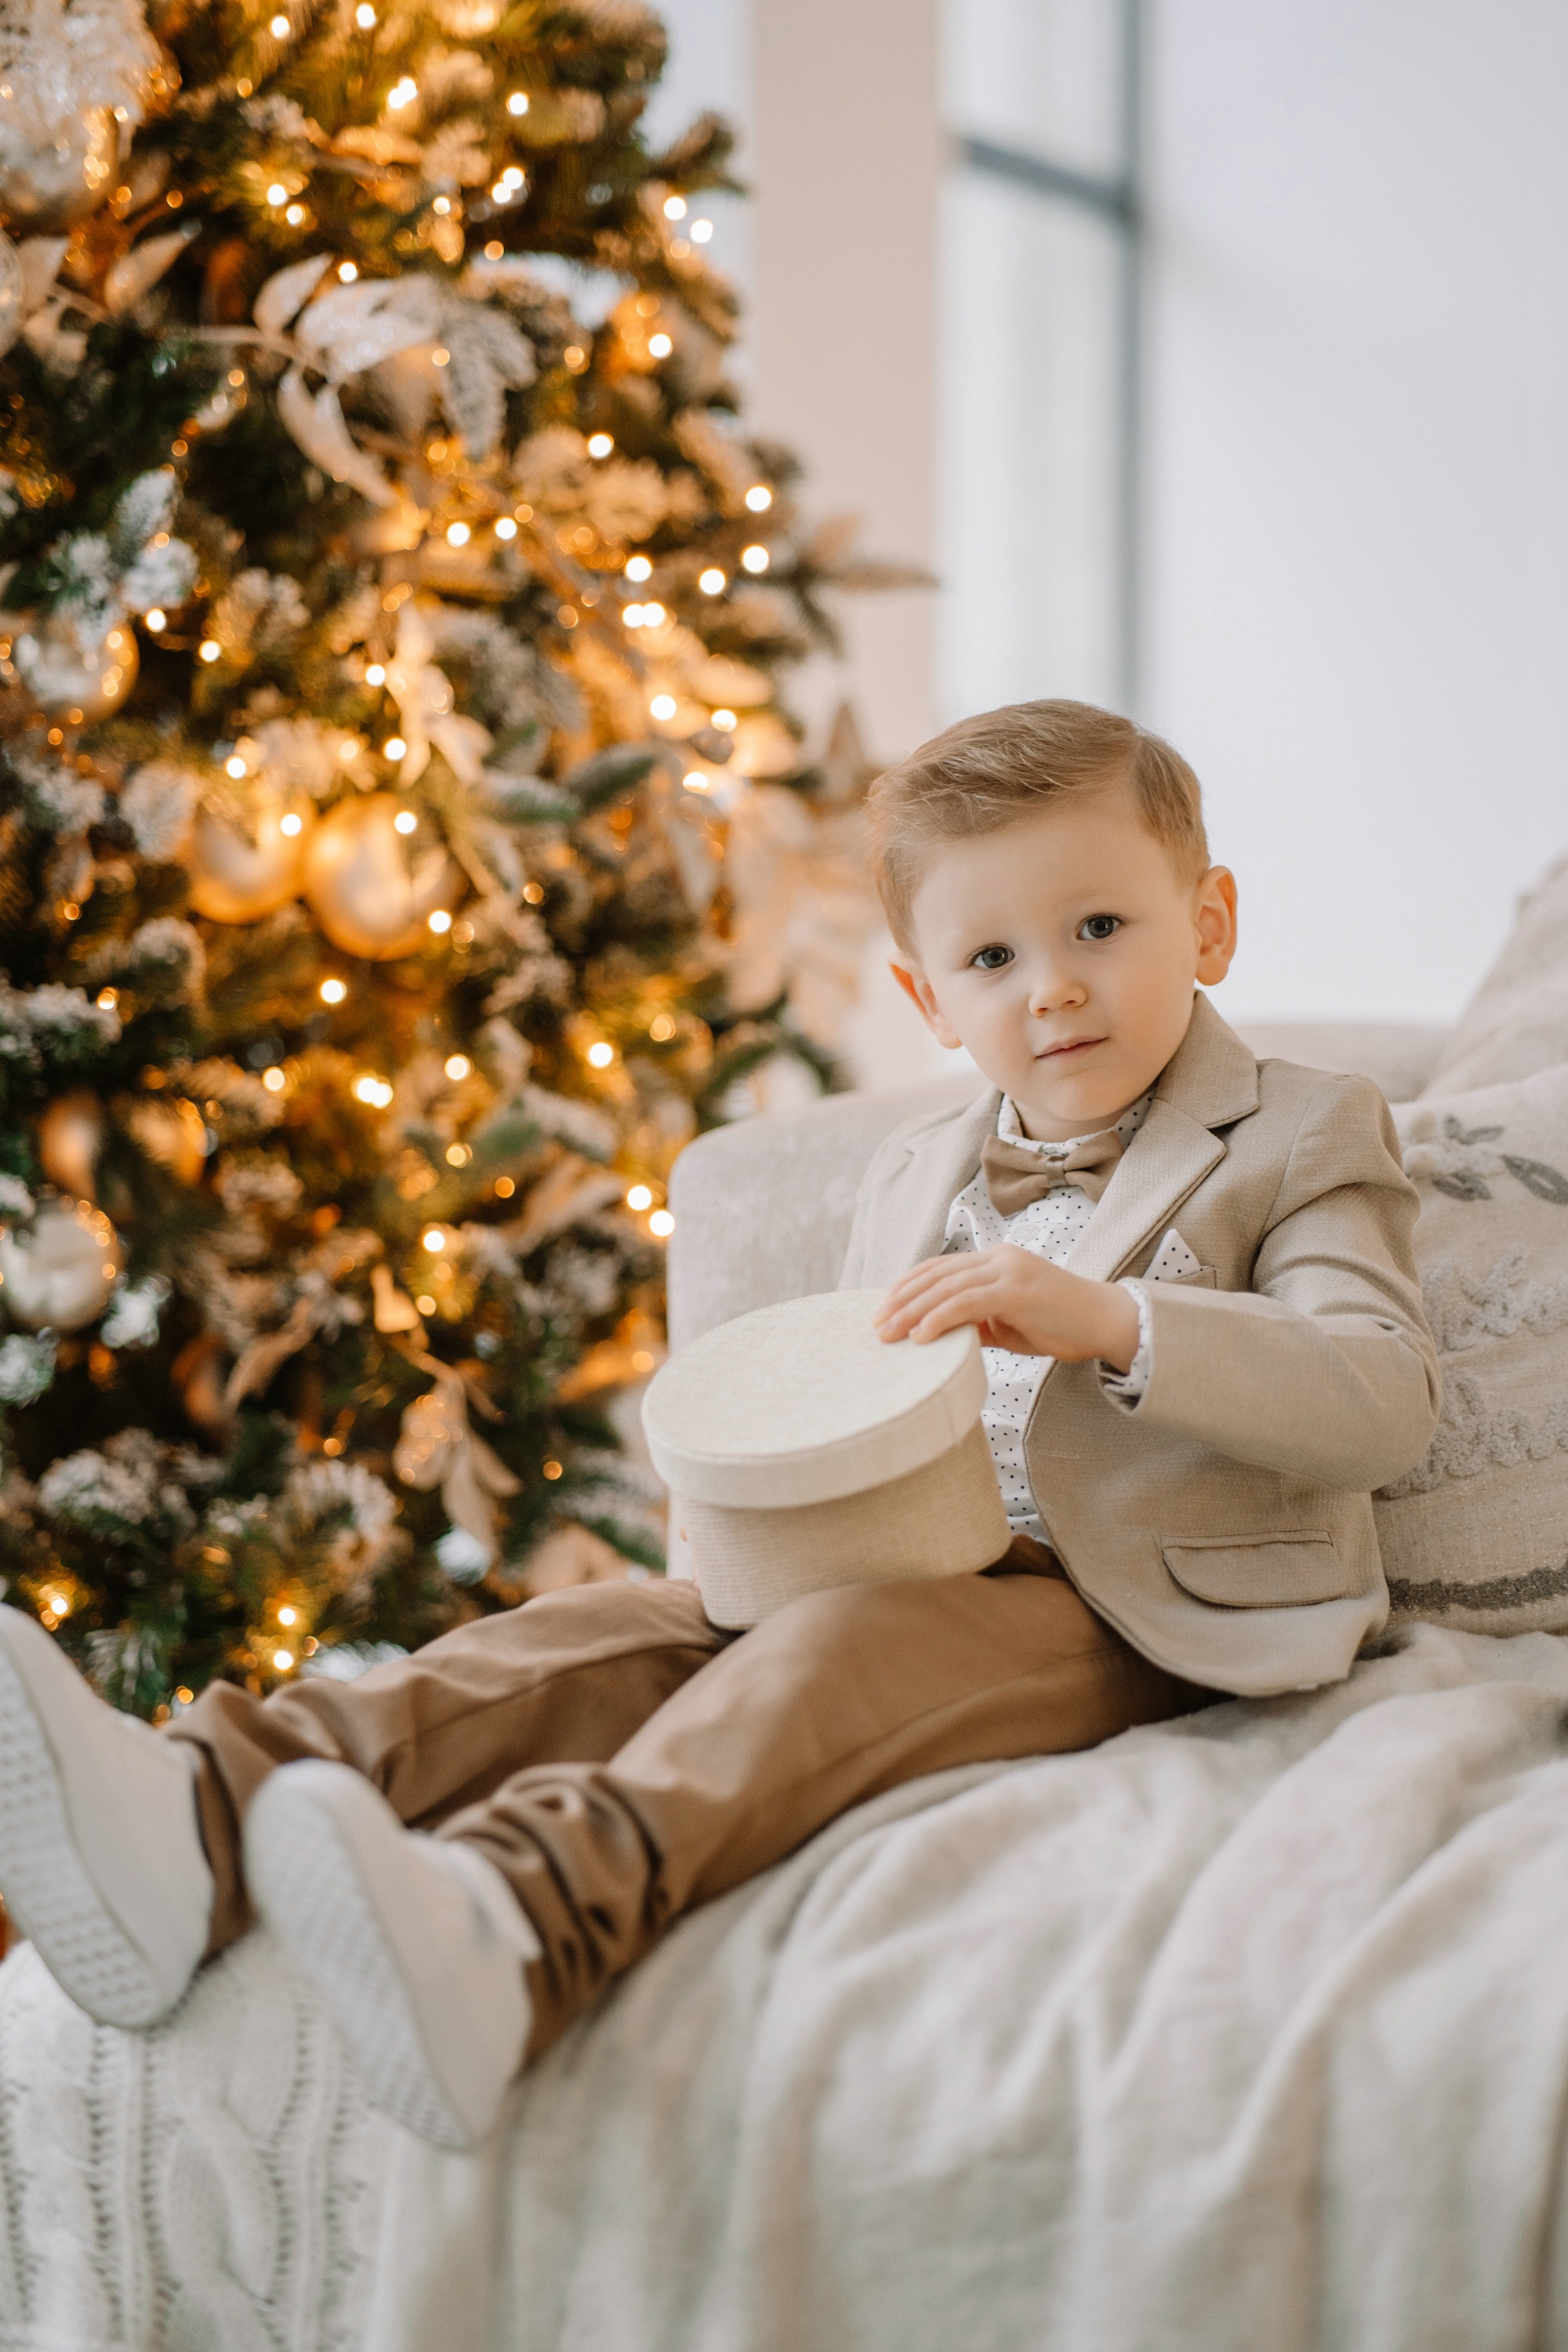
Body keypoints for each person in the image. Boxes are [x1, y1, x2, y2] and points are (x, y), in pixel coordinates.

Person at [0, 699, 1440, 2150]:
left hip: (1139, 1605)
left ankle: (520, 1926)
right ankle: (197, 1812)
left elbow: (1381, 1393)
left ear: (1209, 923)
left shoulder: (1306, 1130)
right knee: (582, 1635)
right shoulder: (910, 1170)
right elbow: (851, 1404)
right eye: (993, 958)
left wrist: (1113, 1321)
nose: (1052, 990)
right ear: (931, 1002)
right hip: (905, 1548)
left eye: (1101, 929)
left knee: (835, 1655)